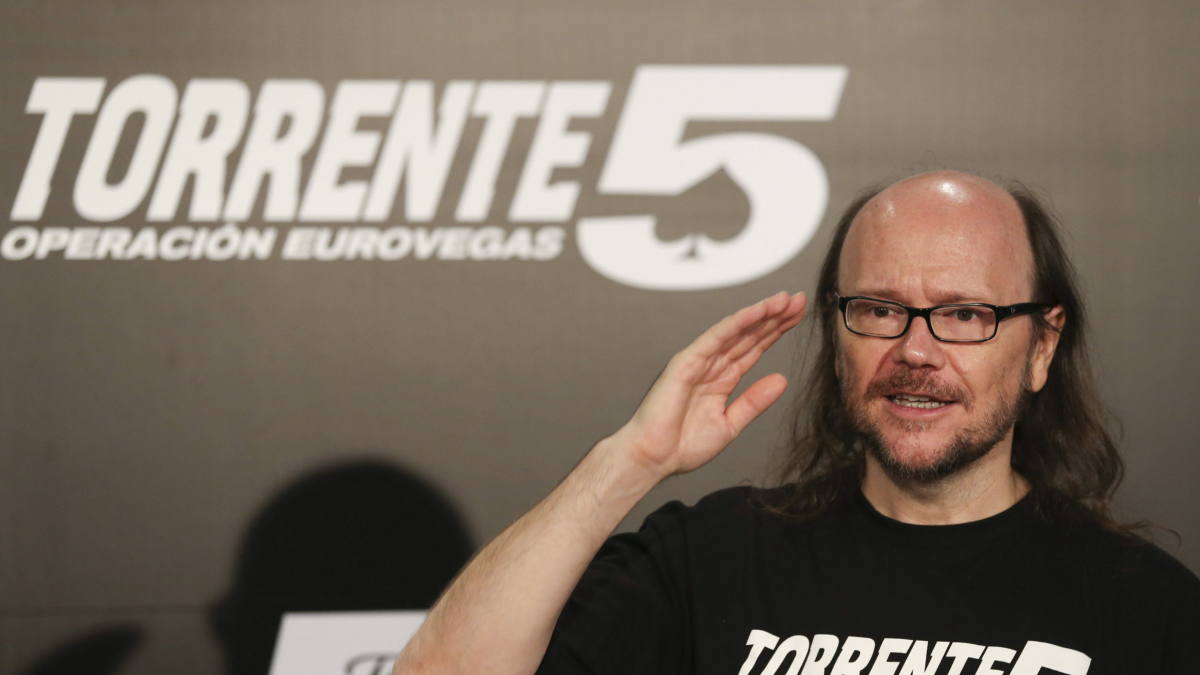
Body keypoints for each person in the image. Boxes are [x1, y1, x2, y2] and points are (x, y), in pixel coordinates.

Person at [394, 171, 1200, 675]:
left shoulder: (1146, 609)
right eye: (878, 309)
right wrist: (628, 460)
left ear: (1041, 344)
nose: (915, 350)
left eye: (964, 313)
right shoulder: (709, 560)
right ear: (837, 331)